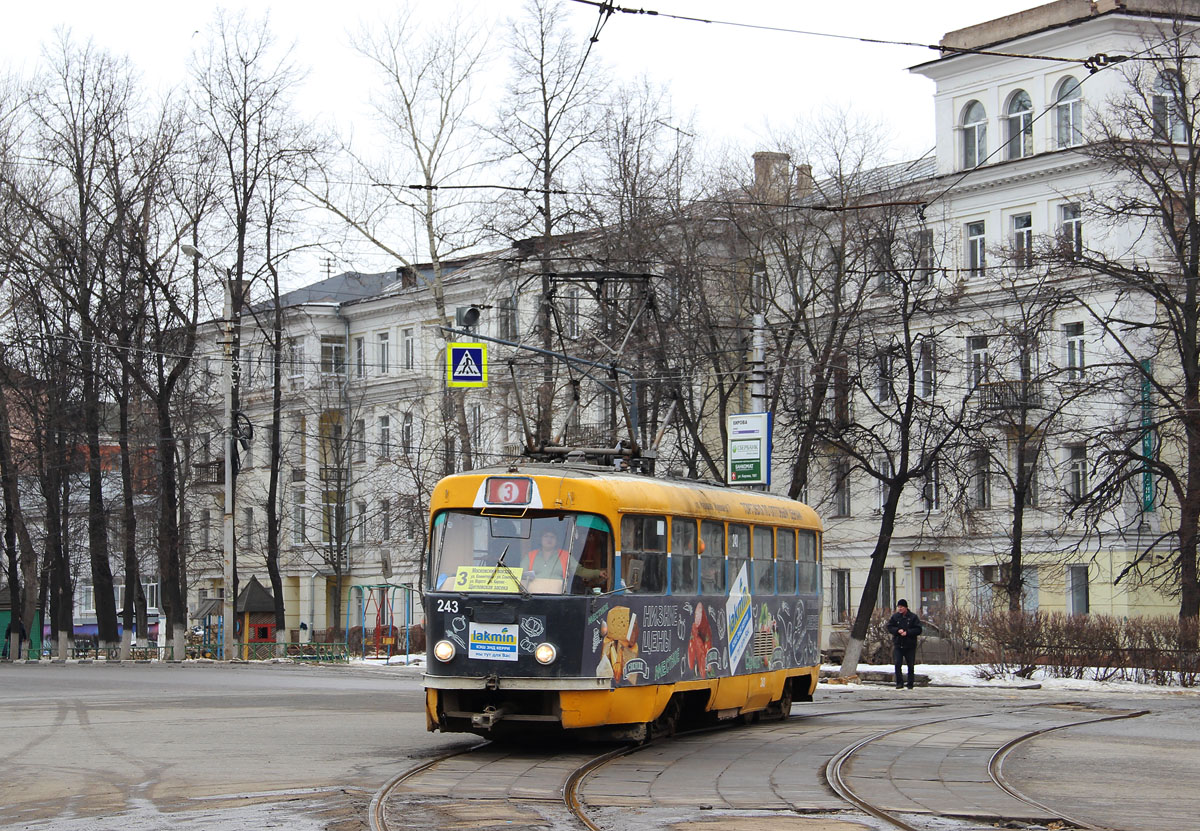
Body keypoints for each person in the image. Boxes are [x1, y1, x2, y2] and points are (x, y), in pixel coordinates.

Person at [525, 529, 606, 588]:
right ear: (541, 539)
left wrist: (598, 573)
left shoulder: (565, 556)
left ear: (556, 541)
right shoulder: (530, 556)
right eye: (546, 536)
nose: (549, 539)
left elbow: (580, 571)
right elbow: (521, 574)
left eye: (552, 537)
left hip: (559, 596)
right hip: (533, 595)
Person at [886, 600, 922, 689]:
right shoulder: (895, 617)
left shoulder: (913, 617)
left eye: (901, 607)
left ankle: (910, 683)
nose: (900, 608)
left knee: (910, 665)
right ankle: (899, 683)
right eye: (899, 607)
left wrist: (908, 632)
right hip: (898, 644)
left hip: (910, 645)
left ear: (906, 607)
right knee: (898, 663)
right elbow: (889, 627)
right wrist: (897, 631)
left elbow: (918, 629)